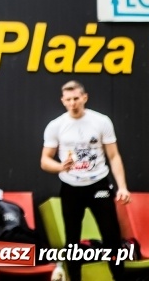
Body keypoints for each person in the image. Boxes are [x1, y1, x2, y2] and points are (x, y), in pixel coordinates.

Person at [40, 80, 130, 281]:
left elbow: (114, 156)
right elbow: (45, 161)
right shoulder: (56, 126)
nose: (73, 103)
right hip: (71, 187)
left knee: (112, 237)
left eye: (76, 98)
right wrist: (60, 166)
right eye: (68, 99)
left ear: (84, 98)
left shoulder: (101, 121)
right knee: (72, 240)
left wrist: (122, 187)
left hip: (98, 184)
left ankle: (120, 277)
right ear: (63, 101)